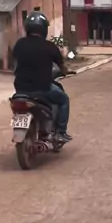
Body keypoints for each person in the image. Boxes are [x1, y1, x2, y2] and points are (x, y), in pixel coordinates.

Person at [12, 11, 72, 142]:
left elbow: (15, 63)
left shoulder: (19, 44)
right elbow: (62, 67)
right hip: (42, 90)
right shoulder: (50, 47)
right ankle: (60, 132)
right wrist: (66, 71)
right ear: (44, 29)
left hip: (20, 90)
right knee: (64, 100)